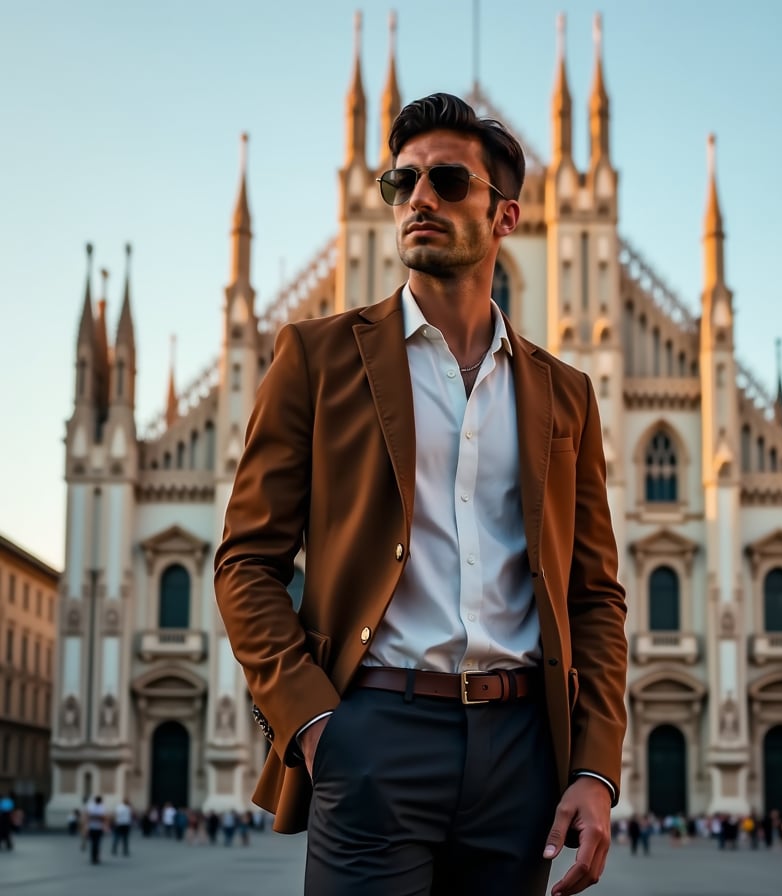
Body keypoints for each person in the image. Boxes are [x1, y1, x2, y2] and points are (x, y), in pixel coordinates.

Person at [215, 91, 628, 896]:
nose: (419, 200)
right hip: (374, 737)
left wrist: (594, 768)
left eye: (447, 181)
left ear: (506, 217)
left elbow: (595, 598)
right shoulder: (316, 357)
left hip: (520, 749)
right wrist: (315, 726)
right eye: (401, 183)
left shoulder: (566, 394)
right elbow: (245, 563)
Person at [85, 795, 107, 864]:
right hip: (96, 827)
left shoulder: (91, 807)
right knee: (96, 843)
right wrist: (98, 817)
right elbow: (102, 817)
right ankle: (95, 858)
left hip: (94, 827)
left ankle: (94, 858)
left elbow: (102, 817)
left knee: (95, 843)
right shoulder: (101, 807)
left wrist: (93, 817)